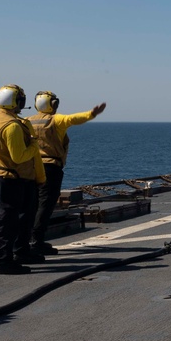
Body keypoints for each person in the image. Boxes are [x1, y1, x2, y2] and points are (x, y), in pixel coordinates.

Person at [28, 92, 107, 255]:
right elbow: (74, 118)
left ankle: (26, 239)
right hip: (50, 167)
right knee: (45, 204)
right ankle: (36, 241)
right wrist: (92, 114)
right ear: (53, 104)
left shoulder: (28, 121)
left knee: (31, 204)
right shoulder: (56, 120)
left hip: (31, 167)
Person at [0, 84, 46, 275]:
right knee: (8, 220)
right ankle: (4, 261)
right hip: (13, 177)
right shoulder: (12, 126)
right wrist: (35, 145)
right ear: (17, 101)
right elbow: (19, 157)